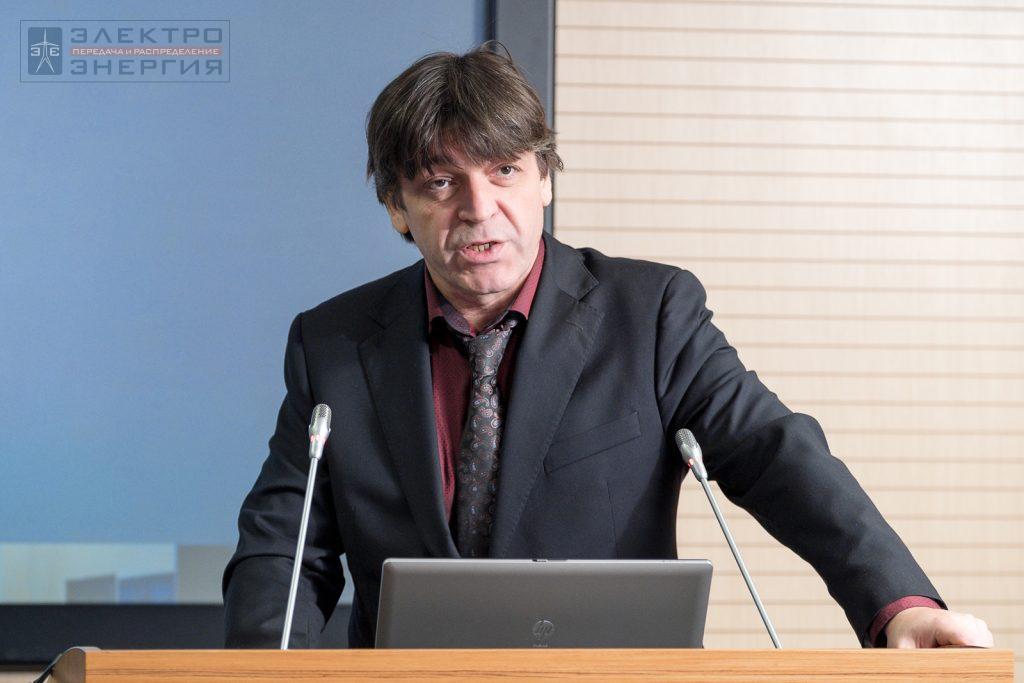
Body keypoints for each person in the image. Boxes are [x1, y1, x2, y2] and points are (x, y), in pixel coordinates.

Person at [223, 43, 993, 650]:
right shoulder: (333, 342)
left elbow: (776, 454)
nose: (481, 209)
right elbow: (284, 547)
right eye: (441, 183)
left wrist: (899, 602)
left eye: (504, 171)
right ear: (397, 205)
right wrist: (262, 667)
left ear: (545, 179)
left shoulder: (650, 314)